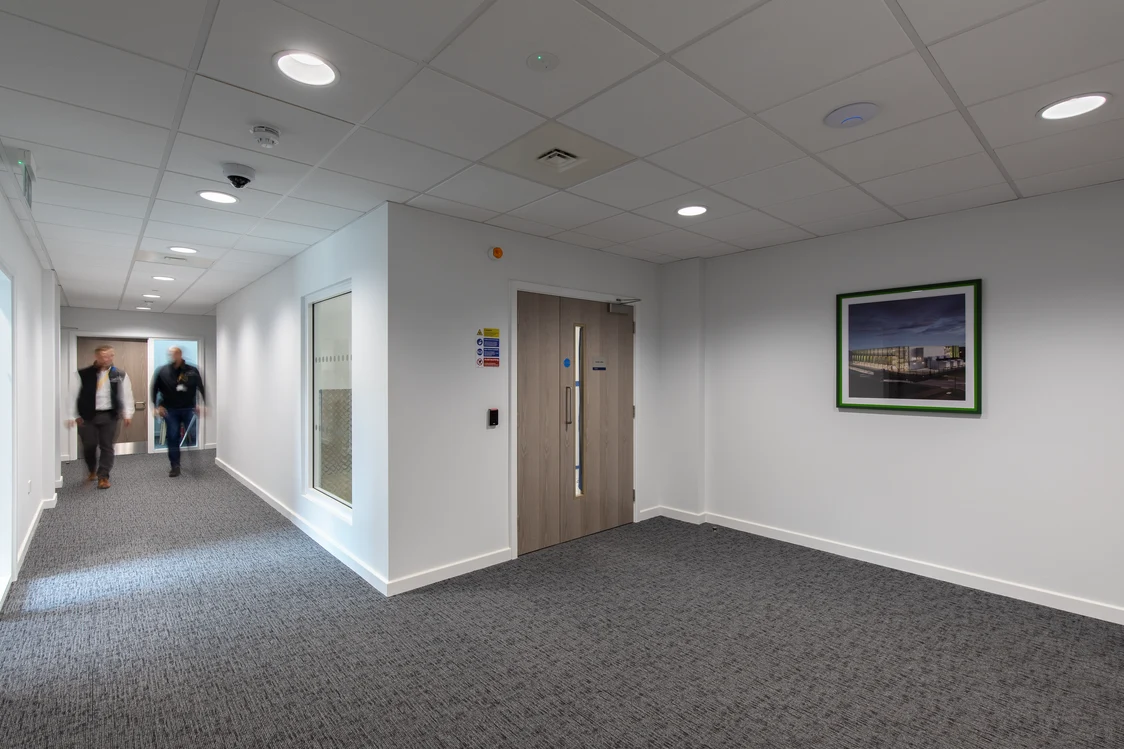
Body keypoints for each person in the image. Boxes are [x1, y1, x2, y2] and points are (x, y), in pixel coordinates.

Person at [68, 345, 135, 489]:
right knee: (89, 445)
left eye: (109, 356)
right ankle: (92, 470)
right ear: (96, 357)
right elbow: (72, 395)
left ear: (112, 357)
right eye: (102, 356)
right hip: (87, 416)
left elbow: (127, 394)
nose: (105, 359)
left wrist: (128, 413)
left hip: (109, 415)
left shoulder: (119, 374)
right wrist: (73, 415)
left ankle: (103, 476)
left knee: (107, 446)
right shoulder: (82, 374)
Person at [151, 347, 205, 478]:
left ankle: (194, 464)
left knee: (192, 436)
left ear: (180, 354)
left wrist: (203, 404)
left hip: (189, 409)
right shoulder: (163, 371)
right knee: (173, 437)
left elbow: (201, 387)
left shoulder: (192, 370)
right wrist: (156, 407)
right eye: (170, 353)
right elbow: (154, 389)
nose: (172, 355)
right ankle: (175, 466)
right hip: (170, 410)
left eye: (174, 353)